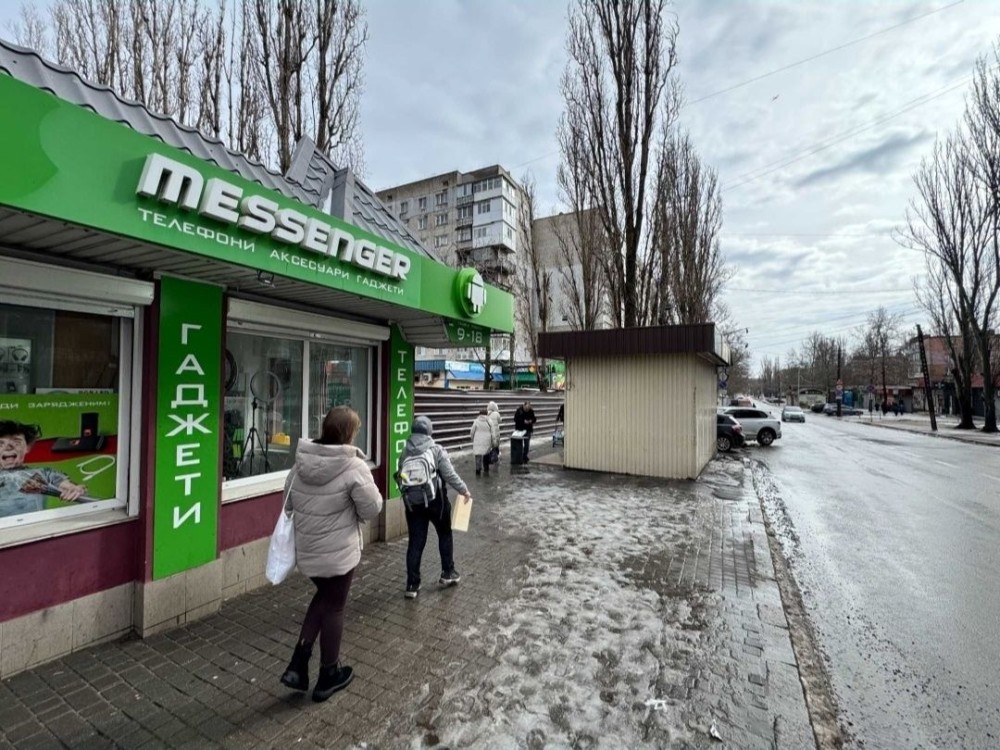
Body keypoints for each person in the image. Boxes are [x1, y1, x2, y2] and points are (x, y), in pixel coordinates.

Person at [279, 406, 383, 703]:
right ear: (349, 433)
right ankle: (328, 674)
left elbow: (288, 504)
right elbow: (372, 508)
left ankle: (298, 664)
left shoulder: (301, 463)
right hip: (339, 555)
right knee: (334, 606)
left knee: (323, 598)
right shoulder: (353, 466)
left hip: (309, 553)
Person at [398, 416, 471, 599]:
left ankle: (412, 584)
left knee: (416, 542)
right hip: (436, 501)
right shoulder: (436, 449)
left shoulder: (405, 451)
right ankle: (448, 572)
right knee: (444, 534)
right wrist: (464, 490)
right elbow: (449, 474)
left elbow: (400, 476)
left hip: (413, 504)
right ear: (429, 431)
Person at [0, 420, 88, 518]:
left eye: (16, 442)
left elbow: (69, 486)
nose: (8, 448)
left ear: (27, 447)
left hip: (36, 526)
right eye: (0, 443)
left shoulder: (43, 474)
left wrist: (75, 490)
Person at [470, 409, 497, 476]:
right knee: (486, 454)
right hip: (487, 440)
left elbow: (472, 432)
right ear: (486, 414)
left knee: (478, 455)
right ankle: (486, 469)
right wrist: (494, 442)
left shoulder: (476, 421)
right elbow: (493, 433)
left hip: (477, 440)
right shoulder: (489, 421)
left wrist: (472, 439)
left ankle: (478, 470)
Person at [486, 401, 502, 466]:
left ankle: (490, 458)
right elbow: (500, 420)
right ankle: (494, 458)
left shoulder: (486, 414)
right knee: (495, 446)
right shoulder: (496, 413)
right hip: (495, 433)